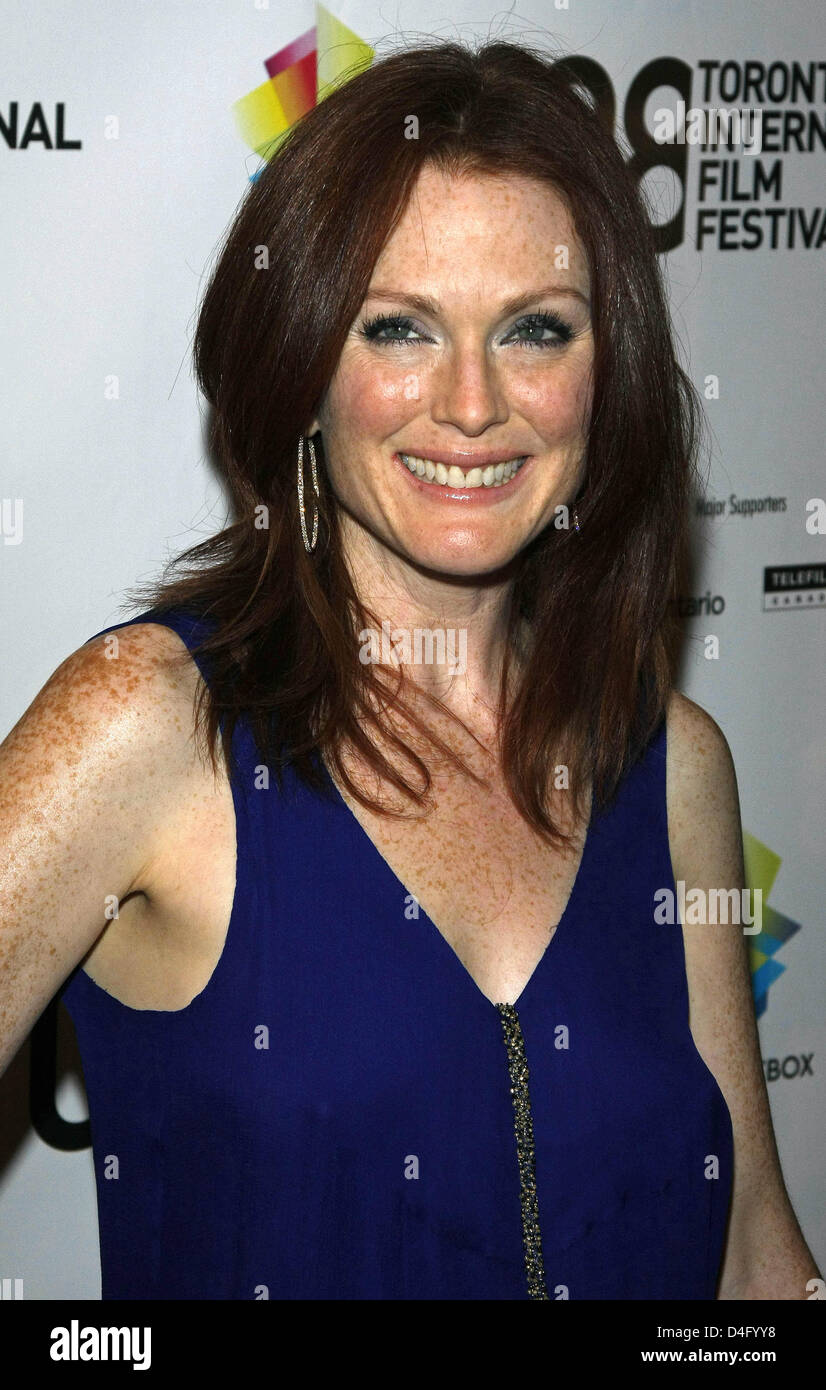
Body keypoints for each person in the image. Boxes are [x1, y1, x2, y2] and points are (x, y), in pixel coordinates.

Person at [0, 39, 819, 1301]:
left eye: (535, 329)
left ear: (609, 376)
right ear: (302, 361)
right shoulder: (150, 726)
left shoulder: (673, 766)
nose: (473, 401)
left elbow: (756, 1266)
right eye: (398, 327)